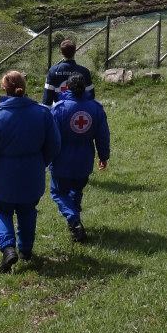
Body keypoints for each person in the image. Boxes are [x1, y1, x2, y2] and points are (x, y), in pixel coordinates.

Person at [0, 70, 60, 273]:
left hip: (3, 178)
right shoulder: (43, 113)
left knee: (1, 211)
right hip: (32, 175)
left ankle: (8, 247)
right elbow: (55, 145)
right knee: (28, 211)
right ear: (24, 87)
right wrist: (41, 162)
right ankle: (26, 250)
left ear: (4, 88)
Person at [50, 73, 110, 242]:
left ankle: (74, 220)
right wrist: (103, 156)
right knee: (77, 190)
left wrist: (46, 157)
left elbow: (51, 137)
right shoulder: (96, 108)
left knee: (58, 192)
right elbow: (103, 135)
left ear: (66, 88)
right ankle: (75, 224)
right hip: (85, 159)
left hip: (62, 160)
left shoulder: (59, 109)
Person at [43, 38, 94, 105]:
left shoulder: (53, 71)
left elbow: (47, 98)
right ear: (75, 51)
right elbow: (91, 95)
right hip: (80, 108)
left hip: (59, 108)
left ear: (61, 52)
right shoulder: (84, 71)